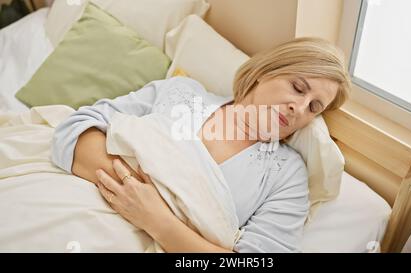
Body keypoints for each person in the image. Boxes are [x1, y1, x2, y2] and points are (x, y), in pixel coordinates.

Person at [51, 37, 351, 253]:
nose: (299, 108)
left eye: (314, 108)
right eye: (298, 88)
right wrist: (136, 194)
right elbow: (74, 132)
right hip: (73, 212)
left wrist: (159, 220)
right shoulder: (181, 93)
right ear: (264, 72)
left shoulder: (287, 175)